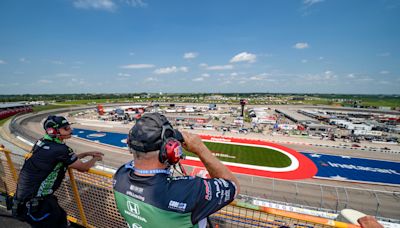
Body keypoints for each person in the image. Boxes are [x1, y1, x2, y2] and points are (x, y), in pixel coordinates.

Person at [113, 113, 240, 228]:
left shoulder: (120, 176)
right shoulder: (189, 191)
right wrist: (200, 149)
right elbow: (233, 186)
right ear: (169, 151)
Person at [13, 115, 104, 227]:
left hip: (26, 199)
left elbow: (64, 160)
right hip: (37, 203)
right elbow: (83, 168)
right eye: (66, 128)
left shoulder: (42, 142)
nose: (70, 130)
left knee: (61, 217)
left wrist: (86, 154)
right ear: (53, 131)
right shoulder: (60, 149)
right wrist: (95, 158)